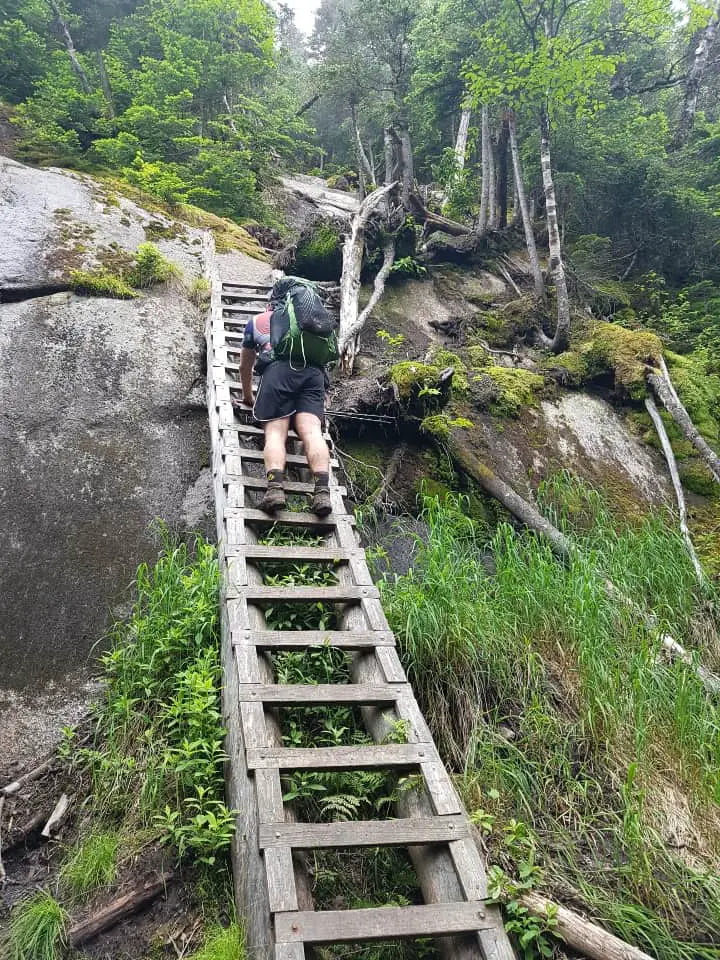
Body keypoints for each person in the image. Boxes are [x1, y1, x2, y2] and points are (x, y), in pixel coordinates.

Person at [239, 285, 333, 518]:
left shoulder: (258, 321)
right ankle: (321, 493)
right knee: (312, 433)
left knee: (275, 434)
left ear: (273, 302)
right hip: (313, 375)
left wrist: (248, 397)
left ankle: (275, 491)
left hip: (278, 373)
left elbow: (245, 366)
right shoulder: (310, 322)